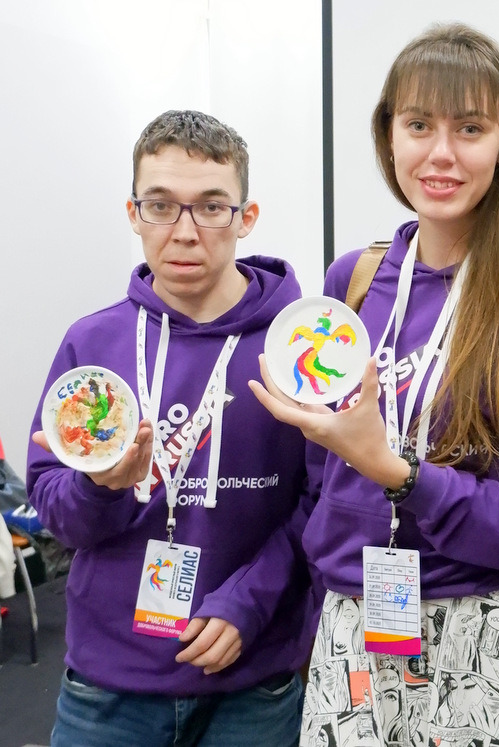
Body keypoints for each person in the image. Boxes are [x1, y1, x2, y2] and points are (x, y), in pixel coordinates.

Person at [251, 23, 499, 747]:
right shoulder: (353, 280)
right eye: (418, 125)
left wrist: (400, 473)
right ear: (388, 136)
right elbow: (324, 484)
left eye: (470, 128)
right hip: (355, 631)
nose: (440, 152)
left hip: (489, 634)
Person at [26, 110, 319, 746]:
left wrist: (251, 600)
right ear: (133, 214)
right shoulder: (92, 344)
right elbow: (58, 516)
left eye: (211, 207)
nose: (185, 232)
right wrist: (96, 487)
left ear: (246, 217)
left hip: (253, 685)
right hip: (108, 689)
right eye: (160, 206)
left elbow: (322, 505)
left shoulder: (299, 347)